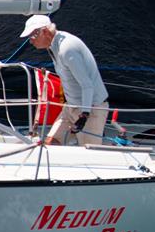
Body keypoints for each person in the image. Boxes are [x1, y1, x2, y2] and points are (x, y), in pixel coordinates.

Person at [20, 15, 109, 146]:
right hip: (71, 107)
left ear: (44, 32)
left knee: (90, 154)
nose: (31, 42)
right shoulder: (53, 45)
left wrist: (84, 115)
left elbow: (87, 85)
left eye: (32, 37)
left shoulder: (67, 49)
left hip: (90, 108)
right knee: (51, 144)